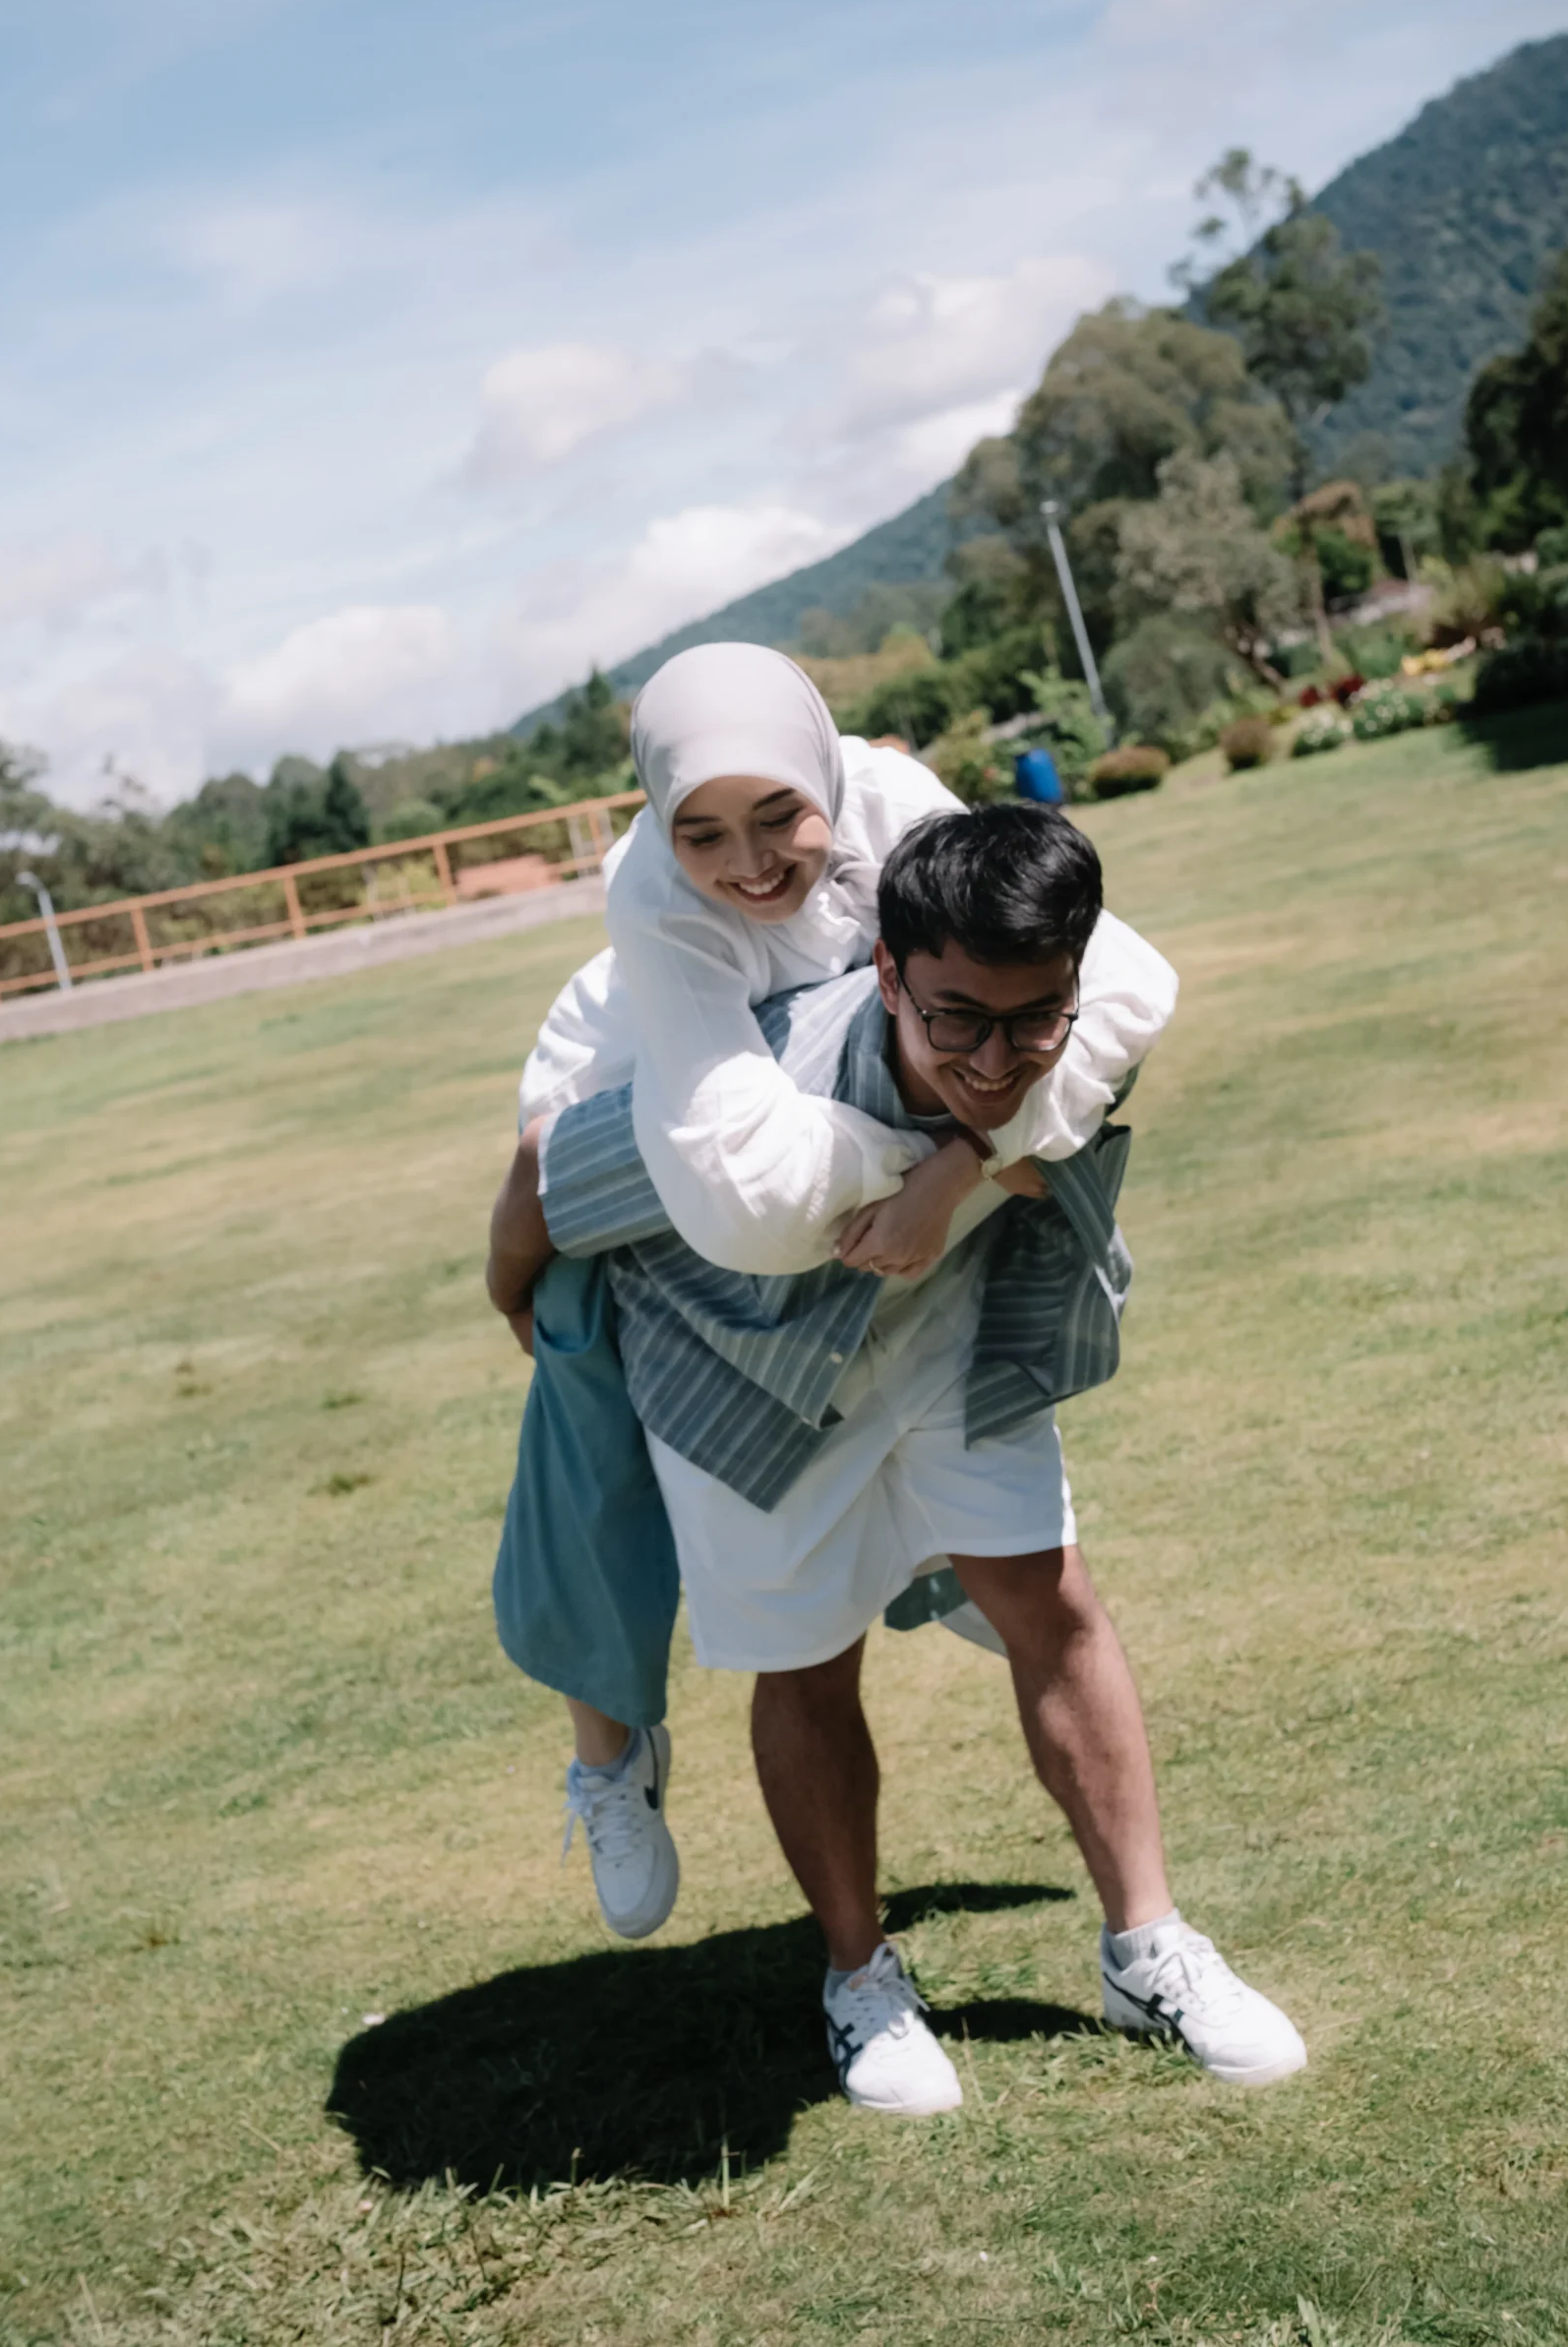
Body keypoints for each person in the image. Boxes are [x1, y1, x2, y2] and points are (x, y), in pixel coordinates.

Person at [489, 804, 1306, 2116]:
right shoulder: (748, 1090)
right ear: (884, 973)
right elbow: (546, 1172)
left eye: (1032, 1021)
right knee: (807, 1660)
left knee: (1052, 1602)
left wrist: (963, 1158)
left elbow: (1059, 1058)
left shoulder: (1076, 1038)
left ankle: (1146, 1948)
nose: (995, 1059)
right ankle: (858, 1976)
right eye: (955, 1020)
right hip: (731, 1374)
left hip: (944, 1348)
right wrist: (507, 1294)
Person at [495, 646, 1177, 1943]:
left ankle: (944, 1560)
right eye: (702, 831)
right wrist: (508, 1277)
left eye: (778, 817)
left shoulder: (888, 799)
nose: (751, 865)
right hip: (618, 1111)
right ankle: (610, 1753)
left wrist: (959, 1169)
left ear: (823, 773)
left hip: (829, 1080)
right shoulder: (654, 898)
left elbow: (1114, 981)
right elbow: (732, 1201)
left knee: (920, 1397)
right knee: (583, 1441)